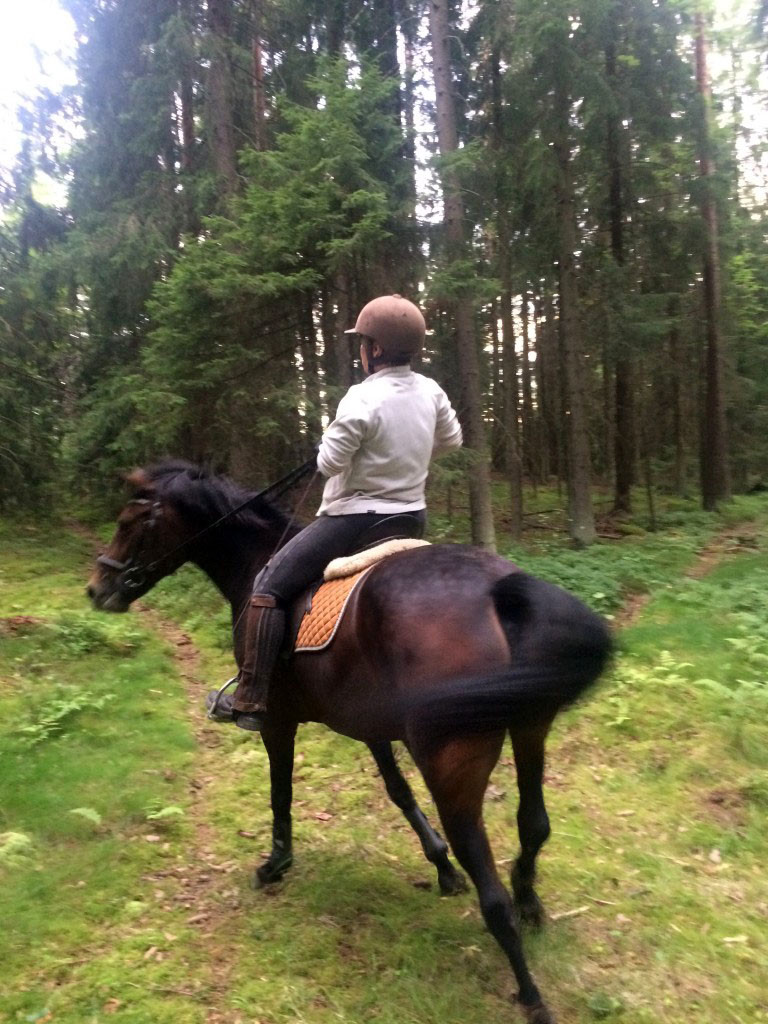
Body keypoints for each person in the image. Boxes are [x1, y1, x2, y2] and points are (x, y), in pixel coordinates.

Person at [207, 294, 463, 732]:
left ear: (376, 349)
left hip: (354, 521)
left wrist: (328, 446)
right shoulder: (431, 391)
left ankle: (250, 698)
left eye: (364, 342)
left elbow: (329, 463)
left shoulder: (361, 398)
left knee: (267, 586)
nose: (361, 349)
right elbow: (452, 440)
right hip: (410, 520)